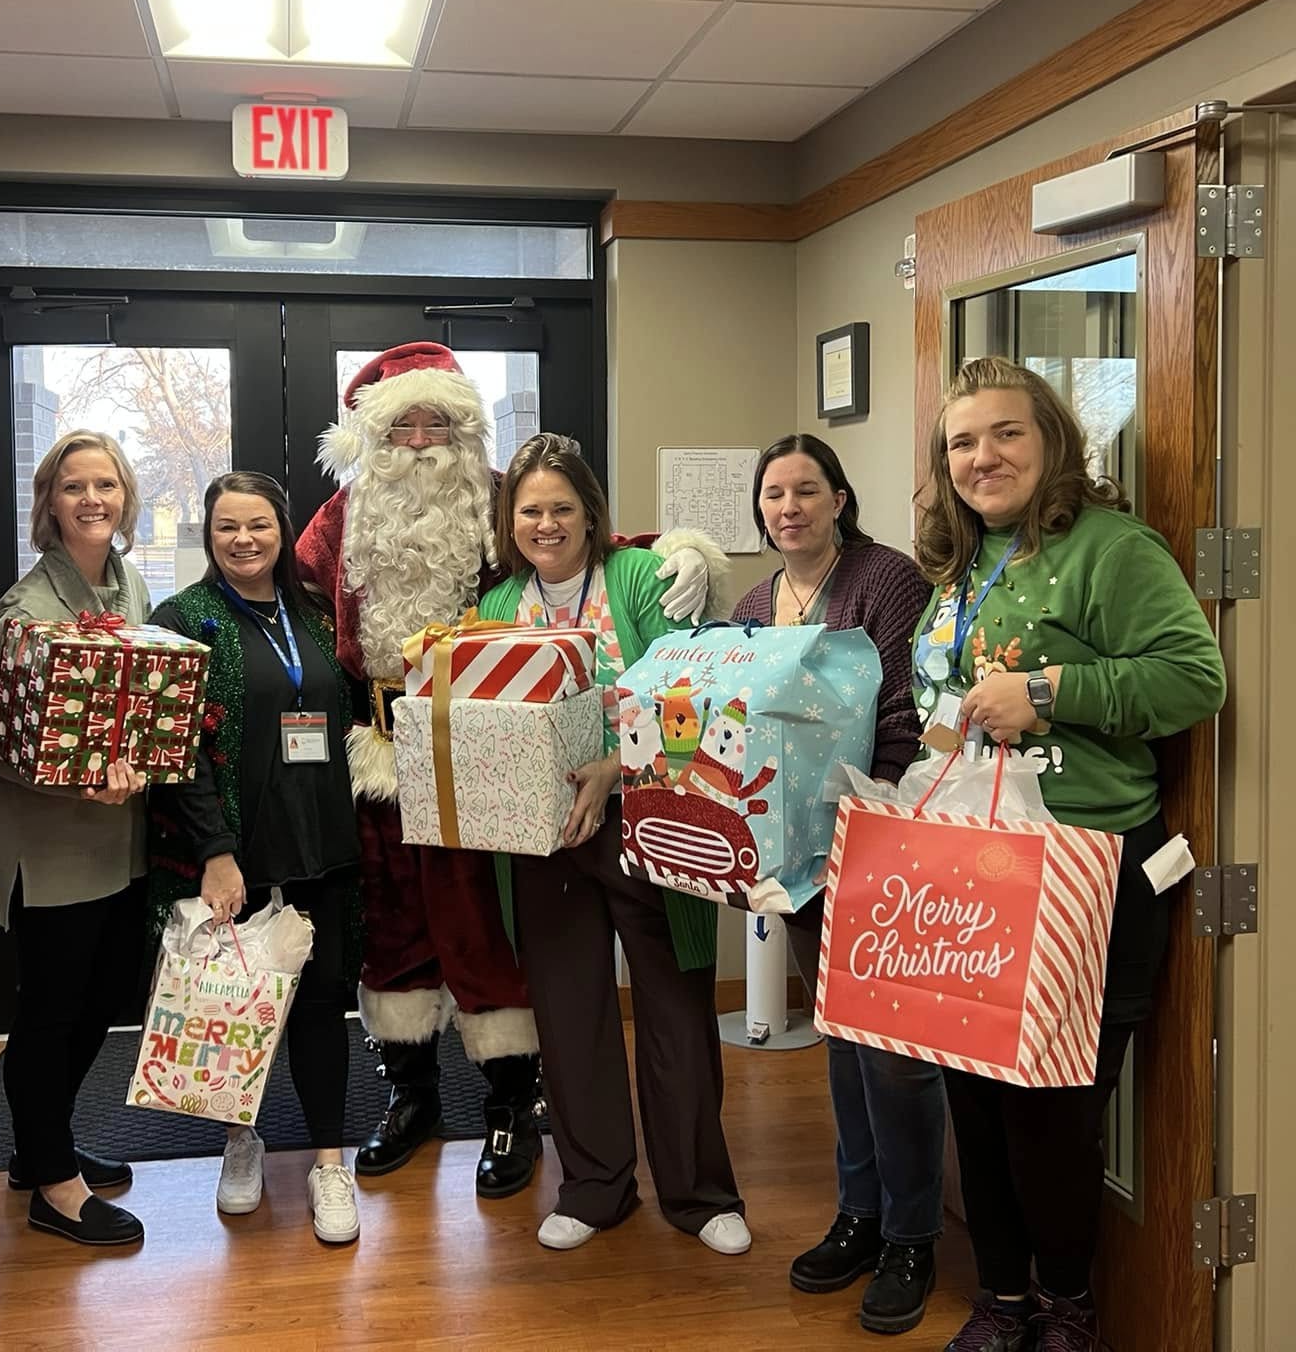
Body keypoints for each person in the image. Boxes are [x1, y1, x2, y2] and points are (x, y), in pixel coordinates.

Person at [295, 342, 719, 1197]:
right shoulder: (337, 523)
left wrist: (679, 550)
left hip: (491, 755)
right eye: (402, 423)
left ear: (463, 428)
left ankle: (508, 1108)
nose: (420, 440)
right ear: (371, 434)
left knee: (485, 926)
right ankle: (409, 1097)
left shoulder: (493, 501)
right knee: (394, 932)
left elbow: (574, 547)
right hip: (379, 754)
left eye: (438, 421)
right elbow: (281, 595)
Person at [910, 358, 1224, 1352]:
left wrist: (1046, 693)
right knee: (973, 1098)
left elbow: (1191, 680)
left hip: (1082, 871)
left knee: (1049, 1115)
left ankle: (1062, 1308)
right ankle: (998, 1300)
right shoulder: (962, 563)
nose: (981, 456)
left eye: (1004, 433)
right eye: (962, 441)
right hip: (973, 865)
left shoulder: (1110, 550)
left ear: (1049, 443)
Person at [478, 435, 749, 1257]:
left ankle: (700, 1192)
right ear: (509, 520)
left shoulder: (637, 579)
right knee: (570, 1012)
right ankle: (595, 1186)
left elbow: (695, 693)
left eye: (563, 507)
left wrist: (614, 770)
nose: (548, 523)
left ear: (592, 513)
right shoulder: (495, 610)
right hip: (545, 841)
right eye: (531, 510)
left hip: (652, 827)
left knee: (673, 1004)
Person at [734, 433, 942, 1337]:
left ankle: (912, 1236)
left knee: (896, 1057)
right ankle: (859, 1215)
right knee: (842, 1040)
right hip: (797, 854)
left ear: (840, 499)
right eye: (774, 494)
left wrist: (875, 813)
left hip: (882, 838)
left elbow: (904, 706)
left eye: (806, 491)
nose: (789, 508)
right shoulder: (751, 602)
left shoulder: (885, 580)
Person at [150, 472, 365, 1244]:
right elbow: (175, 750)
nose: (243, 539)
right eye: (226, 527)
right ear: (208, 536)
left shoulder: (315, 612)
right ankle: (240, 1142)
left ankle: (329, 1163)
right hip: (237, 853)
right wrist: (214, 850)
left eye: (259, 525)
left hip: (324, 847)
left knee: (319, 1011)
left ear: (282, 531)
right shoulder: (186, 617)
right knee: (229, 1013)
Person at [0, 430, 151, 1249]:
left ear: (125, 498)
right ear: (49, 502)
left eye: (107, 485)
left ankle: (35, 1142)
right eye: (75, 486)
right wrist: (77, 777)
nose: (93, 499)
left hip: (120, 844)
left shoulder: (132, 587)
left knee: (104, 996)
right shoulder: (23, 612)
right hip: (52, 847)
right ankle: (53, 1183)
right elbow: (5, 745)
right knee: (49, 1014)